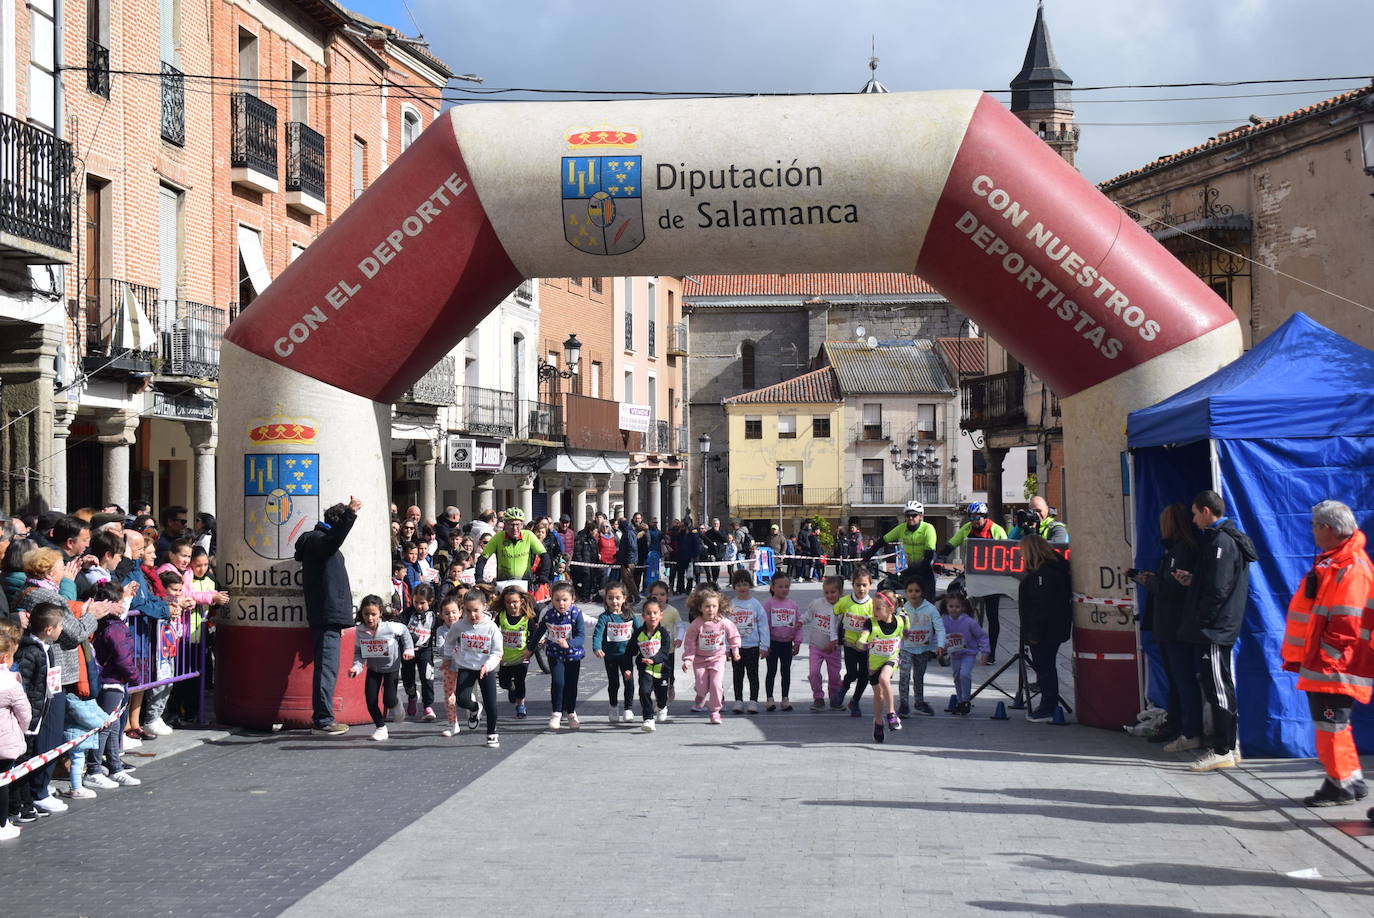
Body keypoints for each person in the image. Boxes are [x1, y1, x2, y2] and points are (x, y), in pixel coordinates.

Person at [1282, 500, 1374, 806]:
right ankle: (1351, 780)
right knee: (1336, 725)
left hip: (1334, 664)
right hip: (1330, 661)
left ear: (1328, 529)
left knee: (1330, 725)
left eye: (1314, 526)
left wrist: (1326, 656)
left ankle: (1339, 786)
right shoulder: (1336, 563)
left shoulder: (1350, 568)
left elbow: (1348, 620)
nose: (1312, 531)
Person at [1174, 490, 1257, 772]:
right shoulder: (1220, 542)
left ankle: (1223, 748)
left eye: (1195, 514)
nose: (1194, 520)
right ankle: (1229, 746)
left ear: (1206, 511)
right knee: (1218, 684)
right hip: (1216, 626)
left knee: (1218, 687)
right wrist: (1194, 581)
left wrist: (1203, 620)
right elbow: (1214, 582)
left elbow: (1219, 589)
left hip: (1215, 628)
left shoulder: (1221, 542)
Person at [1130, 504, 1202, 750]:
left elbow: (1170, 589)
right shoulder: (1178, 550)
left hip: (1174, 624)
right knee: (1177, 678)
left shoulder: (1180, 552)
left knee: (1182, 678)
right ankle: (1178, 723)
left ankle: (1189, 728)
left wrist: (1149, 580)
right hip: (1172, 623)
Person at [294, 496, 363, 736]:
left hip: (329, 615)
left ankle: (323, 718)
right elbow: (333, 541)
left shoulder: (317, 542)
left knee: (326, 667)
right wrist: (351, 515)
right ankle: (323, 720)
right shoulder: (318, 541)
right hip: (327, 615)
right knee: (327, 669)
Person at [938, 502, 1009, 663]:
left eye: (977, 518)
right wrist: (940, 557)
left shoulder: (996, 530)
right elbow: (952, 543)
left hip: (992, 576)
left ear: (985, 517)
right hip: (971, 572)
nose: (974, 521)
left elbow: (1006, 552)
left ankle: (991, 653)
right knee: (953, 589)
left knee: (992, 615)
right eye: (971, 517)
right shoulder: (967, 528)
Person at [1018, 534, 1073, 723]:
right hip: (1054, 627)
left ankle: (1048, 706)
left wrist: (1034, 633)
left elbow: (1042, 606)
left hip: (1046, 630)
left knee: (1045, 667)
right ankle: (1048, 703)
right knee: (1045, 666)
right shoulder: (1054, 569)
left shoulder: (1043, 574)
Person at [347, 595, 414, 742]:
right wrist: (356, 667)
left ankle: (396, 704)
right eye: (366, 614)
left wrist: (409, 649)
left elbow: (404, 630)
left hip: (391, 667)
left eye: (373, 614)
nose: (370, 618)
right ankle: (381, 727)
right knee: (371, 700)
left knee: (388, 700)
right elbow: (359, 652)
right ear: (362, 614)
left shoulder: (389, 627)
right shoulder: (360, 630)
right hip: (373, 668)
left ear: (380, 613)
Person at [442, 589, 503, 748]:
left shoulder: (491, 627)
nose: (472, 615)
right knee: (461, 699)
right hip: (466, 667)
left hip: (486, 669)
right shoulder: (459, 626)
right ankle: (475, 708)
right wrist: (448, 658)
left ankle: (491, 733)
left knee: (491, 703)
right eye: (468, 611)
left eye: (476, 610)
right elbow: (449, 642)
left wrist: (487, 665)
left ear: (484, 607)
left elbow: (497, 652)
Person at [681, 586, 742, 724]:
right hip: (700, 659)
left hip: (718, 658)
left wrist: (735, 650)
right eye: (707, 606)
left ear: (719, 607)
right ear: (700, 607)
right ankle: (700, 695)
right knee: (702, 686)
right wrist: (687, 660)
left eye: (714, 606)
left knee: (716, 684)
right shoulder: (696, 625)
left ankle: (715, 711)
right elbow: (690, 644)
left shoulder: (723, 622)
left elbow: (733, 635)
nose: (711, 610)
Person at [533, 582, 584, 730]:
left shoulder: (576, 614)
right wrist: (530, 649)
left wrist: (570, 643)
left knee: (571, 685)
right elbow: (539, 632)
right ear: (551, 599)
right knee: (558, 682)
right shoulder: (549, 615)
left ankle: (571, 713)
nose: (561, 603)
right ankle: (556, 712)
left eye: (565, 600)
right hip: (555, 654)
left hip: (573, 656)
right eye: (557, 600)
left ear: (572, 599)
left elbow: (581, 636)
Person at [897, 578, 945, 717]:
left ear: (923, 593)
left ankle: (919, 703)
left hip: (923, 649)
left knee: (919, 677)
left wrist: (940, 645)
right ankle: (904, 705)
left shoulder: (930, 609)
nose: (913, 594)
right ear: (906, 593)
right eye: (910, 591)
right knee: (904, 675)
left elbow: (940, 628)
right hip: (905, 648)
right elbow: (895, 627)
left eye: (917, 591)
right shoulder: (902, 609)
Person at [871, 501, 938, 600]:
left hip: (926, 569)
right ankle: (890, 611)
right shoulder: (902, 528)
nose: (910, 518)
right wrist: (866, 558)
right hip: (911, 569)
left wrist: (921, 570)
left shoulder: (928, 528)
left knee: (929, 598)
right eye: (908, 515)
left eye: (914, 515)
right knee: (884, 585)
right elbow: (881, 542)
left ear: (921, 516)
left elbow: (929, 552)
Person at [862, 591, 906, 742]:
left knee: (884, 679)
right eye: (873, 607)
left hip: (891, 658)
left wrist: (907, 628)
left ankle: (892, 714)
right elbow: (861, 638)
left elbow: (906, 633)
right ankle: (878, 722)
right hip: (874, 663)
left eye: (878, 608)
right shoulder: (870, 623)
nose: (874, 611)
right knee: (878, 696)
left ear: (891, 609)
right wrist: (865, 642)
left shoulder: (900, 621)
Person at [0, 627, 31, 840]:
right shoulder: (11, 683)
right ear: (5, 657)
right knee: (2, 783)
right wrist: (22, 730)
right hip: (5, 743)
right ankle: (2, 824)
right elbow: (25, 713)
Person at [724, 569, 768, 714]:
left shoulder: (755, 604)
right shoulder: (731, 605)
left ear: (750, 585)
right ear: (734, 587)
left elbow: (763, 625)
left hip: (753, 646)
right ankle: (738, 700)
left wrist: (764, 645)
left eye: (745, 584)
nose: (742, 588)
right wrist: (726, 647)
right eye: (739, 585)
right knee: (738, 675)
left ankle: (753, 701)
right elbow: (726, 627)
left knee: (753, 674)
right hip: (736, 648)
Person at [593, 582, 638, 724]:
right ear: (606, 600)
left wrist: (644, 644)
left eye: (618, 598)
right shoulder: (604, 617)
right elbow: (598, 634)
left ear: (624, 598)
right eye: (610, 598)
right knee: (613, 683)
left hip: (626, 655)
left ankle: (628, 708)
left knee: (628, 681)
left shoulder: (629, 615)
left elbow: (639, 631)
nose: (614, 601)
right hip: (610, 656)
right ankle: (613, 706)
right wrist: (596, 647)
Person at [835, 566, 877, 716]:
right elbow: (833, 613)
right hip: (850, 645)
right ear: (852, 585)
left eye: (864, 585)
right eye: (858, 585)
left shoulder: (873, 605)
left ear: (870, 586)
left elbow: (878, 624)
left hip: (867, 648)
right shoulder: (845, 602)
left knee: (865, 675)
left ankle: (855, 701)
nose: (861, 588)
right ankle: (844, 687)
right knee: (852, 673)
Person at [942, 592, 990, 715]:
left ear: (963, 607)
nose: (954, 609)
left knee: (964, 674)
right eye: (951, 606)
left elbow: (982, 636)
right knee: (957, 677)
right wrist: (939, 648)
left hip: (968, 653)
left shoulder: (969, 622)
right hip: (954, 654)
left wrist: (985, 652)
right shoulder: (944, 621)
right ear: (946, 607)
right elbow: (939, 635)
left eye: (957, 606)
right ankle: (959, 700)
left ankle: (966, 700)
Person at [494, 585, 536, 719]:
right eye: (508, 602)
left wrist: (530, 650)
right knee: (503, 683)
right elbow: (493, 632)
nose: (511, 605)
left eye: (515, 602)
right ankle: (510, 687)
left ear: (521, 601)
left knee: (520, 680)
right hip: (505, 656)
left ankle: (521, 705)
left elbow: (534, 635)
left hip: (521, 656)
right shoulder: (501, 616)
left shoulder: (527, 618)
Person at [803, 576, 844, 711]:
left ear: (840, 591)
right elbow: (808, 615)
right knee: (814, 673)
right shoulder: (817, 604)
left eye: (833, 592)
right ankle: (818, 697)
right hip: (816, 646)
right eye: (826, 592)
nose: (830, 595)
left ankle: (834, 698)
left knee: (834, 676)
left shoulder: (843, 608)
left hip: (833, 649)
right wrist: (799, 622)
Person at [762, 574, 801, 711]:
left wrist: (797, 642)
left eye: (786, 586)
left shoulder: (793, 605)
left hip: (787, 644)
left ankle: (785, 698)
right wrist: (764, 645)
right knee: (771, 671)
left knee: (786, 671)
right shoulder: (768, 604)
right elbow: (763, 625)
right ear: (772, 587)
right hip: (772, 643)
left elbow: (798, 624)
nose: (784, 589)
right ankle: (770, 699)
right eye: (780, 586)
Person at [633, 599, 673, 732]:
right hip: (645, 669)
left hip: (662, 670)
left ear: (660, 615)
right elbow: (630, 651)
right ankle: (648, 719)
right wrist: (627, 668)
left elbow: (665, 652)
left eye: (655, 613)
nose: (652, 616)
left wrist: (654, 659)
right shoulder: (638, 633)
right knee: (644, 691)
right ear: (643, 616)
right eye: (648, 613)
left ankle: (662, 706)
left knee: (661, 695)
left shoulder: (663, 633)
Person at [399, 584, 437, 722]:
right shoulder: (407, 614)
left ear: (430, 601)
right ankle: (412, 695)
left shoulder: (433, 615)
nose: (419, 606)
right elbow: (399, 628)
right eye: (416, 602)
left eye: (422, 603)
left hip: (425, 651)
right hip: (408, 652)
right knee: (407, 679)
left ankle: (428, 706)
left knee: (427, 678)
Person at [434, 595, 463, 735]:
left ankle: (474, 707)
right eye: (446, 613)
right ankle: (453, 724)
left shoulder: (466, 627)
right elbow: (440, 649)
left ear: (460, 612)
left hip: (466, 667)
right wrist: (451, 645)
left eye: (453, 612)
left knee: (465, 697)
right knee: (449, 697)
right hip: (449, 667)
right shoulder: (441, 631)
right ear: (441, 615)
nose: (451, 616)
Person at [671, 522, 702, 595]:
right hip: (680, 558)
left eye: (682, 527)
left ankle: (688, 589)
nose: (680, 528)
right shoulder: (678, 535)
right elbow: (676, 545)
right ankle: (680, 589)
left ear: (686, 527)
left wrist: (693, 556)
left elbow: (696, 547)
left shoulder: (692, 536)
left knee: (689, 575)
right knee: (680, 574)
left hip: (689, 558)